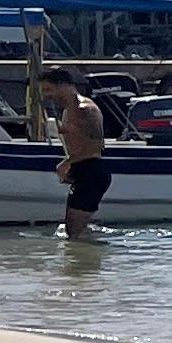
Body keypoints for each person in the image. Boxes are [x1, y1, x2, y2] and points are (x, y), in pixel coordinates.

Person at [35, 69, 109, 233]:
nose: (47, 95)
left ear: (62, 86)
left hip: (92, 172)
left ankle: (91, 256)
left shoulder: (85, 110)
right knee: (74, 231)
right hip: (83, 171)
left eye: (48, 89)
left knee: (74, 233)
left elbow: (96, 146)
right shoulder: (69, 110)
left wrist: (66, 163)